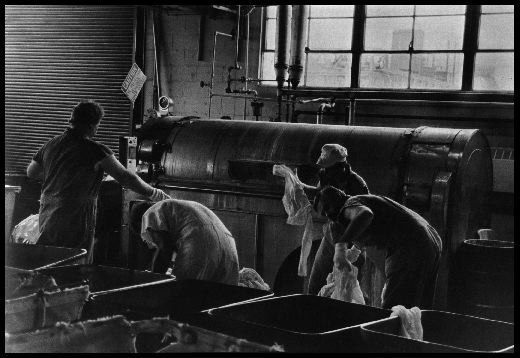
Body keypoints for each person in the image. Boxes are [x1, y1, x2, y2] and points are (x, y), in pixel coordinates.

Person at [26, 99, 170, 263]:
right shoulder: (95, 150)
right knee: (75, 261)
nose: (97, 129)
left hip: (48, 212)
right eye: (97, 125)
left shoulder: (51, 144)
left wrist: (62, 177)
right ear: (90, 125)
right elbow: (125, 177)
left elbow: (32, 172)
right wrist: (154, 193)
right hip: (76, 215)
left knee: (49, 258)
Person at [309, 185, 442, 310]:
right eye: (324, 213)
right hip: (429, 239)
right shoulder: (363, 201)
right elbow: (368, 229)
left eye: (327, 207)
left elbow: (365, 214)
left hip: (410, 244)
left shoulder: (348, 205)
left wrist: (340, 247)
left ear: (339, 196)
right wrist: (353, 251)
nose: (328, 214)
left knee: (396, 312)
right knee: (418, 310)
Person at [298, 144, 369, 290]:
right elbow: (319, 196)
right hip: (331, 237)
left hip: (351, 242)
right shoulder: (326, 177)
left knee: (346, 291)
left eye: (328, 168)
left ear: (342, 166)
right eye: (323, 167)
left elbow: (365, 220)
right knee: (316, 284)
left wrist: (355, 250)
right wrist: (298, 185)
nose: (325, 171)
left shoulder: (357, 185)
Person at [129, 199, 239, 285]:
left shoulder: (150, 213)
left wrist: (153, 279)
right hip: (228, 246)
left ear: (141, 224)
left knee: (183, 294)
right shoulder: (178, 208)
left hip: (199, 242)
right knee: (218, 299)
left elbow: (164, 248)